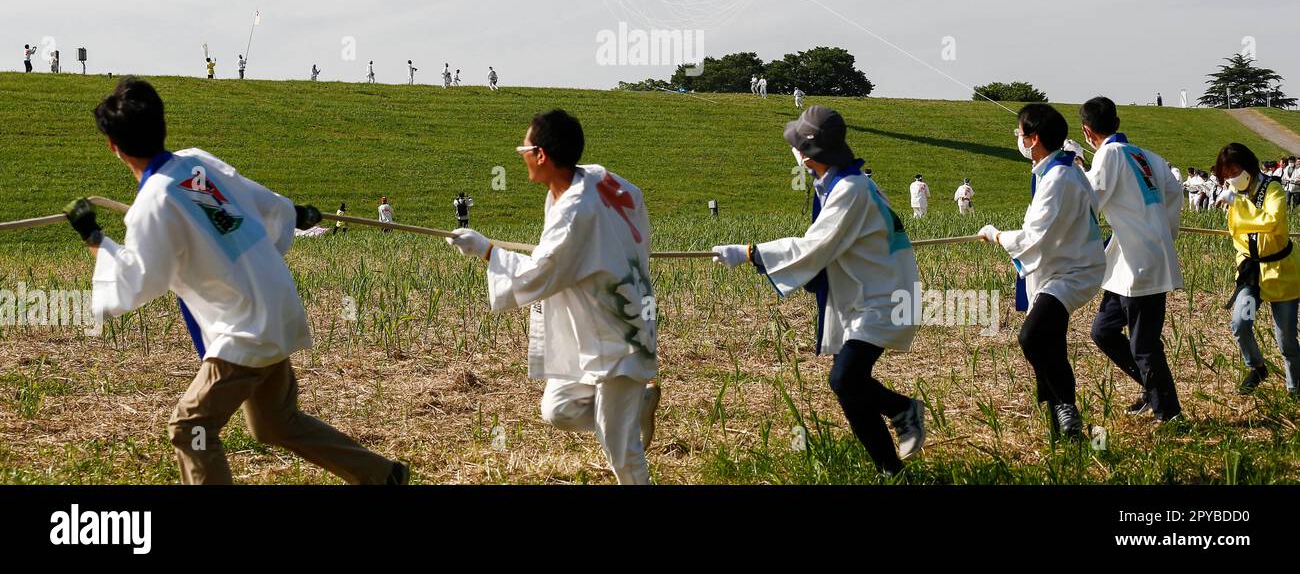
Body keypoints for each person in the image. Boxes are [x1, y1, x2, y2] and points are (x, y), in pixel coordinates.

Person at [61, 77, 405, 485]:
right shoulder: (195, 163)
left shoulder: (152, 204)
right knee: (275, 423)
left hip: (244, 326)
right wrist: (292, 213)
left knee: (192, 429)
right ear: (161, 123)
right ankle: (383, 477)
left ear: (113, 147)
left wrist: (93, 237)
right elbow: (257, 199)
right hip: (274, 302)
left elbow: (134, 284)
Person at [447, 109, 660, 485]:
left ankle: (628, 426)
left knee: (622, 451)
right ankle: (638, 406)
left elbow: (539, 274)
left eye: (524, 148)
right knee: (558, 409)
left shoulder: (575, 211)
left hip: (618, 335)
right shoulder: (596, 176)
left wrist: (486, 250)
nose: (522, 155)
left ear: (541, 155)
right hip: (590, 328)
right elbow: (635, 202)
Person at [712, 106, 925, 476]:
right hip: (872, 290)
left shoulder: (850, 189)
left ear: (808, 154)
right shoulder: (845, 182)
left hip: (883, 295)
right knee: (848, 384)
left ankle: (902, 414)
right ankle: (890, 465)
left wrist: (750, 253)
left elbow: (816, 245)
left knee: (845, 379)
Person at [977, 104, 1106, 440]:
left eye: (1020, 133)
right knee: (1051, 341)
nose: (1018, 139)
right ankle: (1061, 424)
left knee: (1031, 337)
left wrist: (997, 235)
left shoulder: (1059, 177)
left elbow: (1034, 236)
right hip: (1059, 264)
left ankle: (1065, 405)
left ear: (1033, 139)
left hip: (1072, 270)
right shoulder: (1060, 169)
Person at [1078, 96, 1184, 421]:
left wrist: (1074, 168)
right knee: (1103, 331)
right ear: (1118, 123)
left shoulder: (1108, 154)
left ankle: (1170, 414)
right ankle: (1153, 392)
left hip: (1141, 265)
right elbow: (1176, 192)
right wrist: (1162, 229)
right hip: (1130, 263)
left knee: (1144, 345)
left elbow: (1090, 201)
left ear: (1086, 131)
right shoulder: (1147, 155)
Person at [1216, 143, 1298, 395]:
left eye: (1234, 171)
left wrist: (1237, 203)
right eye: (1225, 175)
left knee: (1285, 339)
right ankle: (1257, 366)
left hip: (1281, 274)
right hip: (1252, 275)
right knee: (1241, 321)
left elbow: (1272, 222)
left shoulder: (1272, 189)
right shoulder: (1233, 192)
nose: (1230, 178)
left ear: (1248, 166)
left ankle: (1295, 389)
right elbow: (1236, 233)